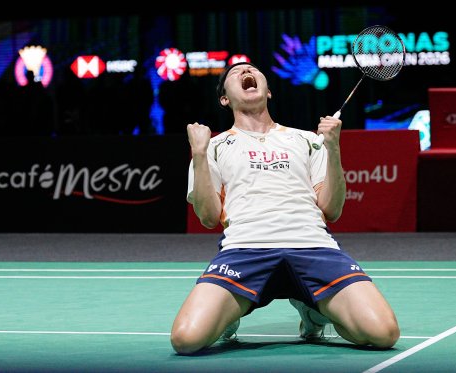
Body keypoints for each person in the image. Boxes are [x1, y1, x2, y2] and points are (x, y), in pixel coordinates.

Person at [170, 61, 399, 354]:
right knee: (186, 340)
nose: (245, 72)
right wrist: (199, 153)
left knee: (384, 334)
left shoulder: (307, 140)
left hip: (313, 247)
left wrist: (333, 148)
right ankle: (230, 312)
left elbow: (332, 210)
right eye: (235, 72)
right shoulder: (214, 146)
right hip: (245, 249)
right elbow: (207, 217)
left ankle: (313, 309)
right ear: (224, 99)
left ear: (268, 92)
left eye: (253, 69)